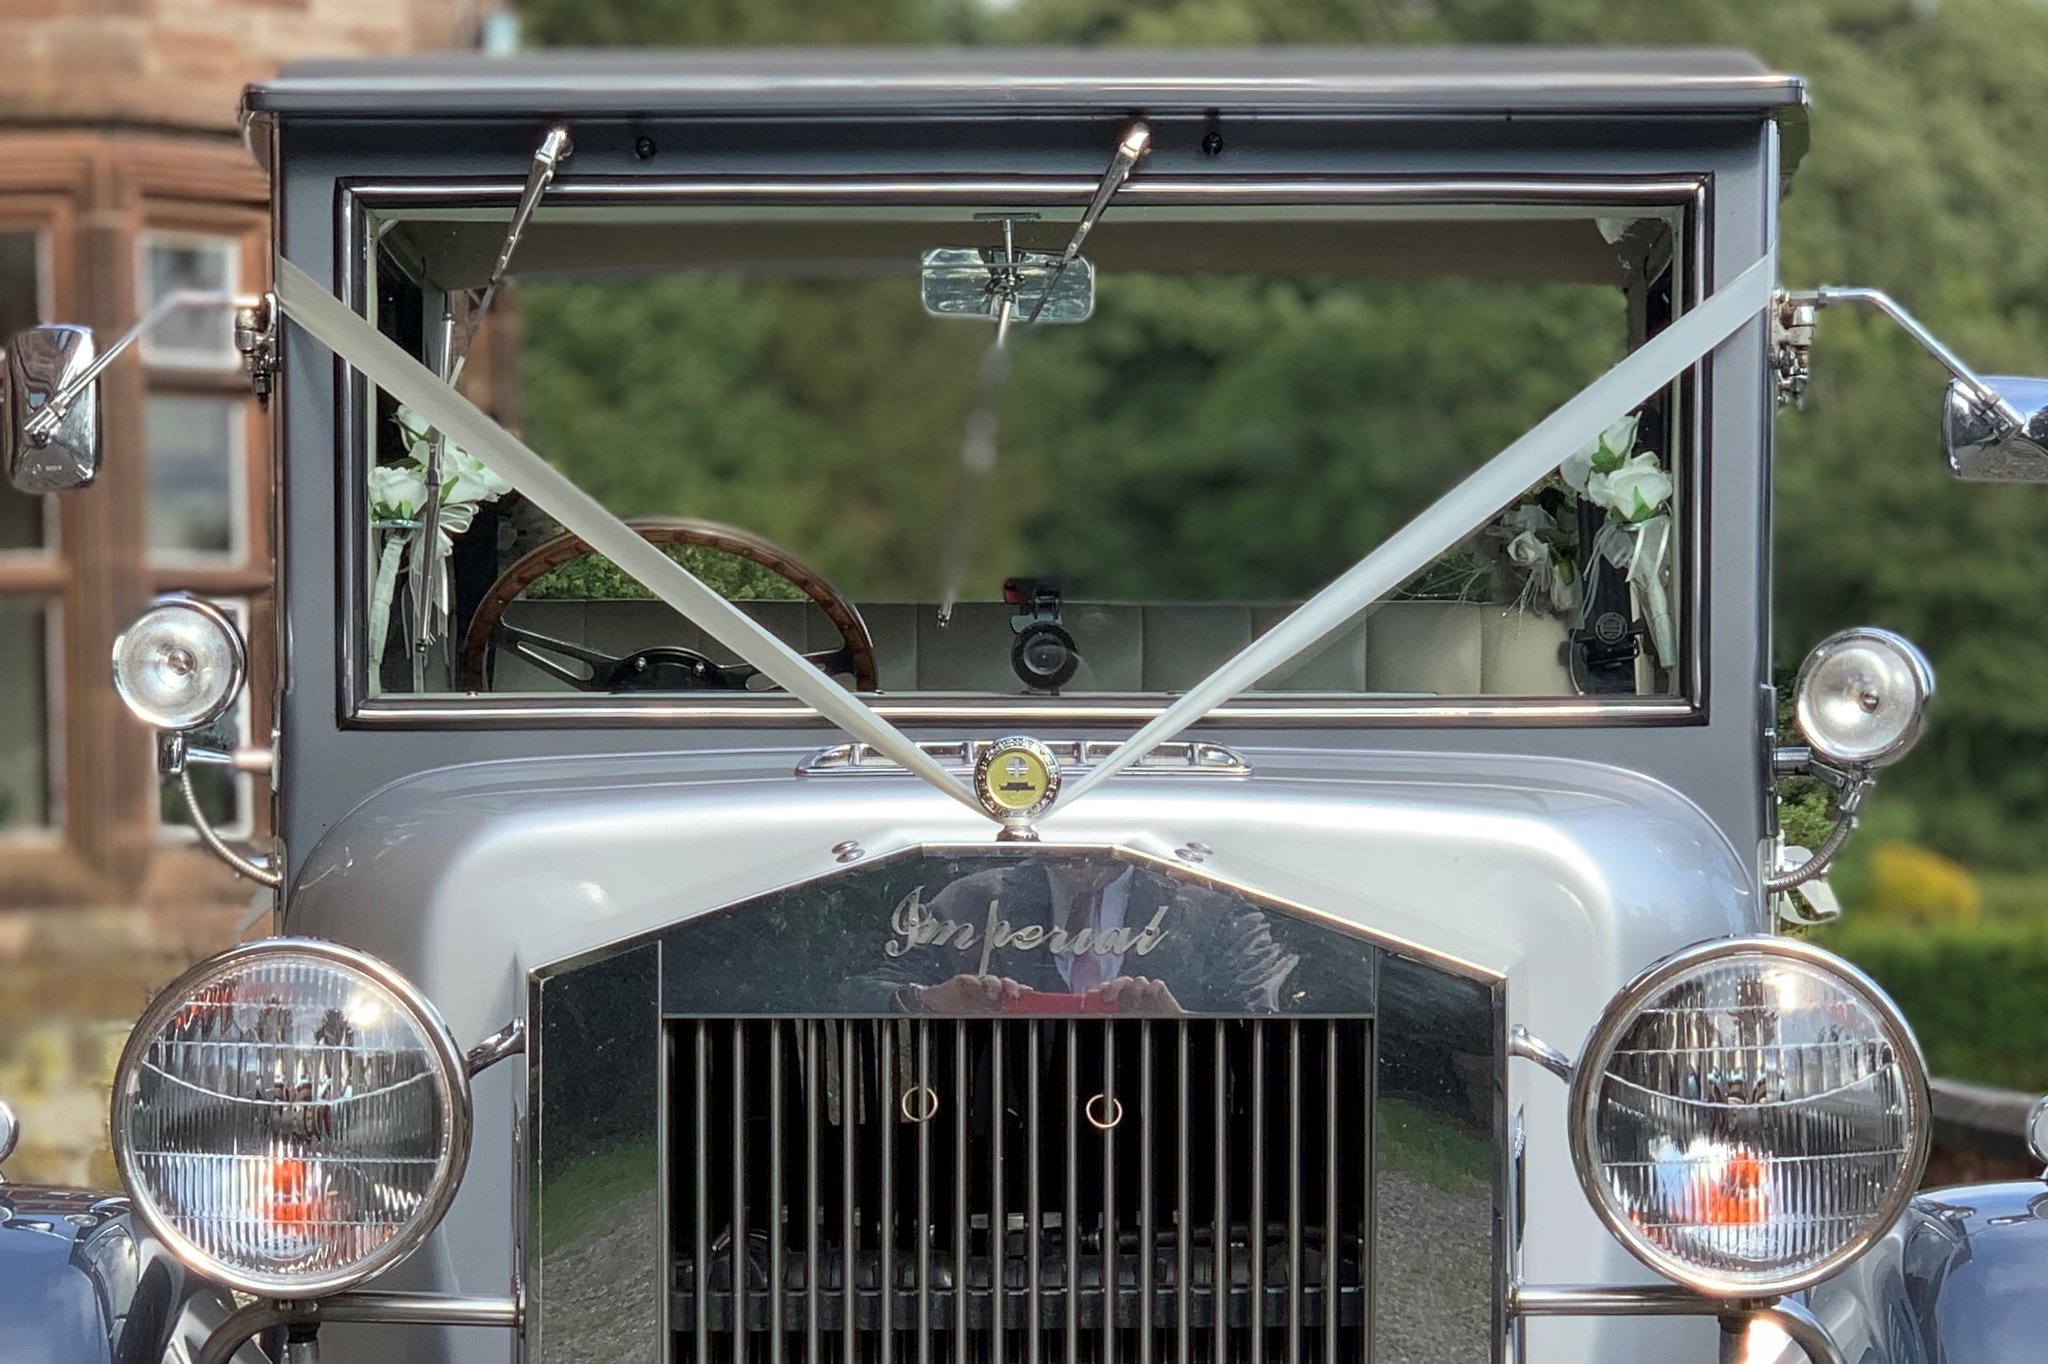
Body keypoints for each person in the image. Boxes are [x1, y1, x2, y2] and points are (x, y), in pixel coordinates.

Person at [852, 852, 1299, 1015]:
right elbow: (858, 990)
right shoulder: (971, 899)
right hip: (996, 1127)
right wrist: (933, 1000)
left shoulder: (1213, 913)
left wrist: (1177, 1025)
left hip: (1171, 1132)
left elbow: (1267, 1015)